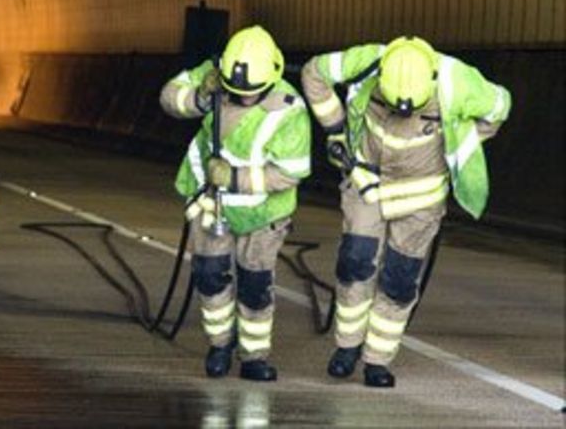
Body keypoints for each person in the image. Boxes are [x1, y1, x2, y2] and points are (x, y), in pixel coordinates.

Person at [301, 36, 511, 388]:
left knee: (399, 280)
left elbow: (500, 105)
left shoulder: (456, 81)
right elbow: (314, 73)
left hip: (420, 199)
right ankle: (347, 348)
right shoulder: (367, 61)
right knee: (355, 263)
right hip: (367, 184)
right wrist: (336, 129)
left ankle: (377, 361)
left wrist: (460, 141)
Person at [160, 25, 311, 381]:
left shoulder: (289, 111)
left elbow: (290, 172)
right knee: (210, 276)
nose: (242, 98)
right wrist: (199, 94)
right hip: (211, 204)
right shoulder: (216, 75)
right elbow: (169, 98)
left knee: (255, 283)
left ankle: (254, 357)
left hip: (263, 214)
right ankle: (219, 345)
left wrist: (234, 178)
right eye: (235, 92)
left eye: (251, 94)